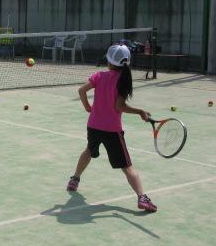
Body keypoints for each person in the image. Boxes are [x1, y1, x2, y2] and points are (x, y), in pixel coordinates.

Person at [66, 44, 158, 213]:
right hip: (112, 130)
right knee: (127, 167)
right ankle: (142, 197)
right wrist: (139, 111)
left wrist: (88, 107)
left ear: (109, 62)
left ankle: (75, 179)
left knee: (89, 150)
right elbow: (119, 106)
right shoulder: (124, 80)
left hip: (93, 125)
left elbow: (81, 90)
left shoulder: (99, 76)